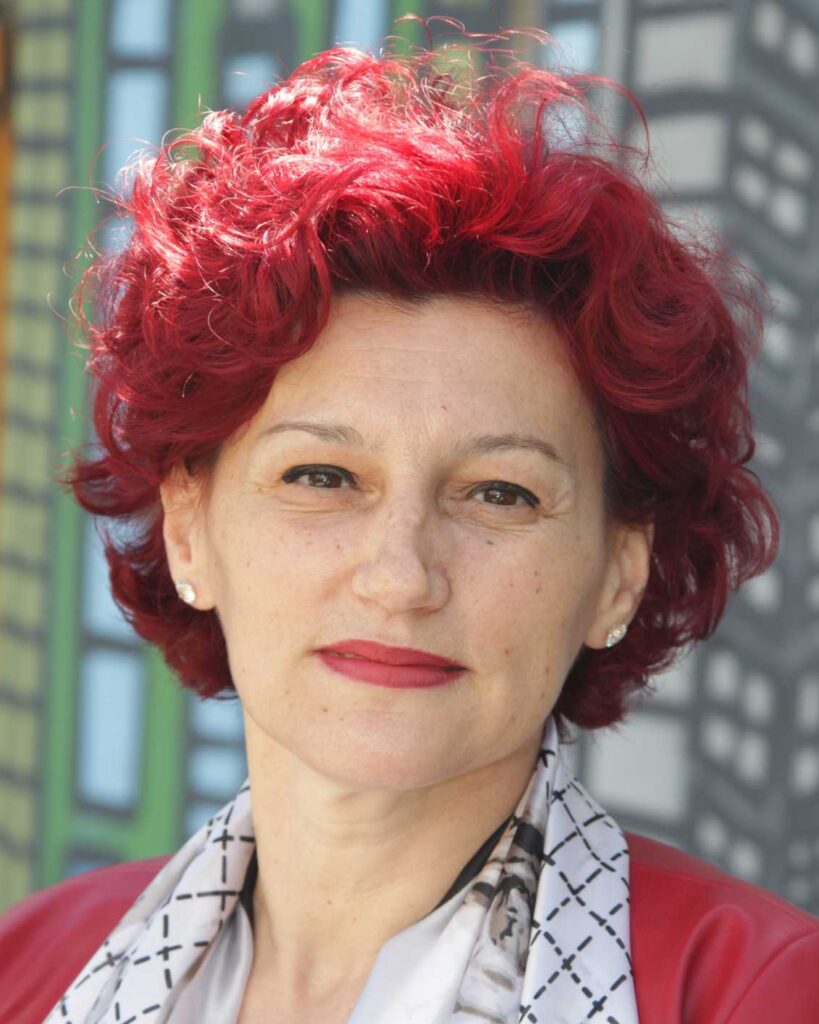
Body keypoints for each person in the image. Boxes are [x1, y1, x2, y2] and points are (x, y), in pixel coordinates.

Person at [1, 29, 818, 1024]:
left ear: (617, 571)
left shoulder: (760, 994)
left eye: (500, 493)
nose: (400, 575)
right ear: (188, 530)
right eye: (321, 476)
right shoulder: (29, 967)